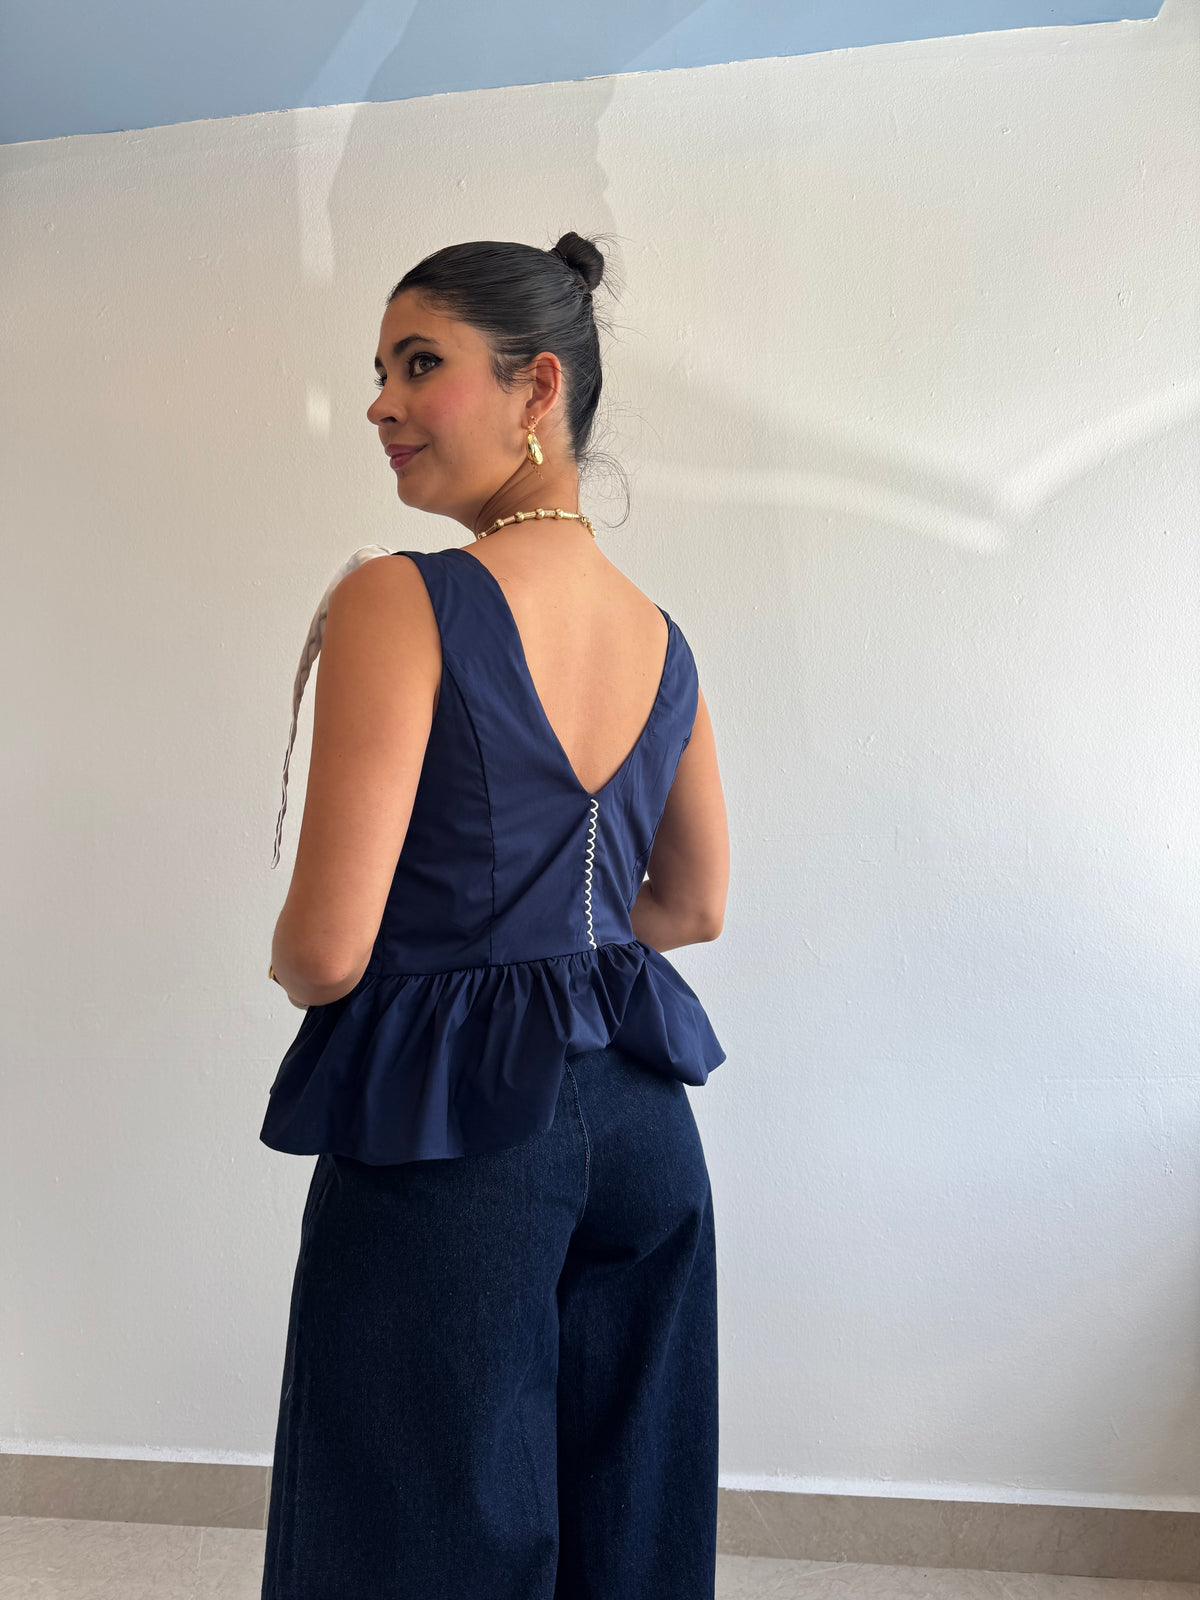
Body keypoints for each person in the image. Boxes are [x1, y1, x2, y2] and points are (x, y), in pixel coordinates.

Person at [258, 232, 730, 1599]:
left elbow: (326, 951)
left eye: (422, 365)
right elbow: (692, 904)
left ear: (537, 388)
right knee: (630, 1529)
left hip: (452, 1130)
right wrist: (556, 929)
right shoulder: (659, 635)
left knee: (414, 1535)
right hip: (643, 1126)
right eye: (381, 370)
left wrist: (305, 951)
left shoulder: (401, 596)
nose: (382, 403)